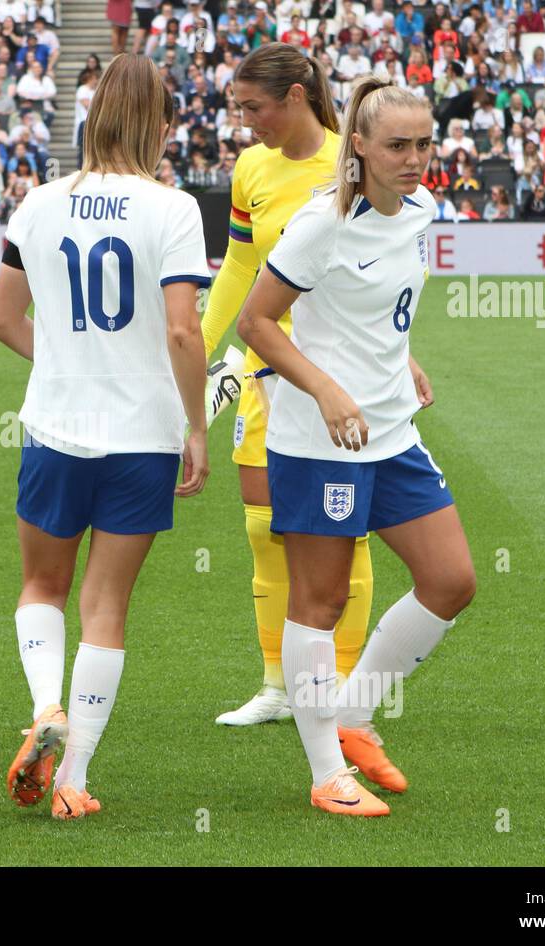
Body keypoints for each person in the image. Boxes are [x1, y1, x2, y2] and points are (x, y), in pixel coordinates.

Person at [235, 77, 476, 817]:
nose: (414, 159)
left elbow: (377, 305)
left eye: (424, 144)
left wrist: (398, 356)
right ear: (359, 146)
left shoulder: (427, 210)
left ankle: (354, 713)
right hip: (320, 440)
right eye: (398, 146)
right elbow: (257, 324)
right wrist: (327, 390)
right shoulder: (321, 224)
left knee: (452, 579)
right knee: (321, 601)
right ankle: (326, 774)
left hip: (391, 430)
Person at [0, 54, 210, 820]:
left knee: (41, 587)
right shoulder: (172, 208)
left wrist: (63, 360)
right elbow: (184, 330)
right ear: (161, 123)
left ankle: (45, 705)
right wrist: (198, 427)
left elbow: (1, 321)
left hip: (53, 422)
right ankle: (74, 779)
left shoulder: (38, 202)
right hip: (141, 430)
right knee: (105, 605)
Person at [197, 44, 376, 728]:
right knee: (264, 527)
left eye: (254, 107)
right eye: (237, 108)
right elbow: (240, 268)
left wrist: (399, 353)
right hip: (265, 371)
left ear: (297, 95)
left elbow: (378, 272)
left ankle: (347, 691)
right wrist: (202, 350)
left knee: (343, 534)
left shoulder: (353, 166)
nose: (245, 123)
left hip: (339, 375)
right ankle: (278, 685)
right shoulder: (251, 168)